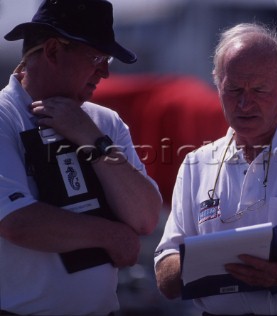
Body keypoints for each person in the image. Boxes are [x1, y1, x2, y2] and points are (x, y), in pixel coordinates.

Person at [154, 23, 277, 316]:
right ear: (217, 83)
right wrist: (213, 260)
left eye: (259, 90)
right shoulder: (196, 164)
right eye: (233, 89)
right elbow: (165, 277)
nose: (245, 103)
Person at [0, 0, 163, 315]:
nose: (105, 72)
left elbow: (145, 217)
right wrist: (111, 236)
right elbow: (16, 222)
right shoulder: (4, 118)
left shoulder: (105, 122)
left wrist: (93, 140)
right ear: (52, 51)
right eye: (98, 57)